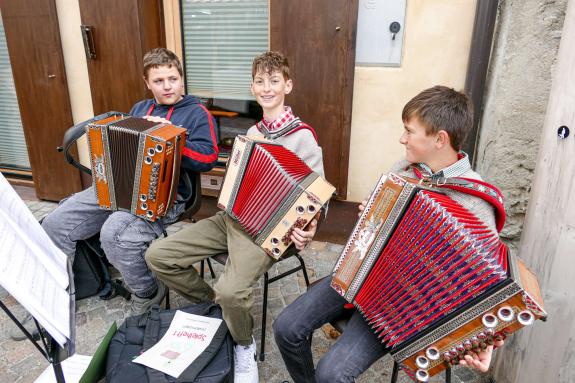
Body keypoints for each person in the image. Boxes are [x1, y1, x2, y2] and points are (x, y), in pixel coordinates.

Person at [272, 86, 505, 383]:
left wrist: (484, 342)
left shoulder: (476, 203)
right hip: (360, 275)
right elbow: (371, 223)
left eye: (409, 131)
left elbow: (487, 282)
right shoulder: (406, 168)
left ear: (439, 138)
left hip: (401, 304)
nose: (402, 138)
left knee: (331, 374)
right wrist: (370, 218)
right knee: (286, 327)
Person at [146, 51, 324, 383]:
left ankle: (243, 342)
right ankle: (215, 306)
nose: (266, 88)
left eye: (274, 81)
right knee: (158, 255)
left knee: (232, 290)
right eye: (260, 82)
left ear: (288, 85)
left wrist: (307, 229)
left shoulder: (304, 137)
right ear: (252, 87)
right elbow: (235, 180)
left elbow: (315, 198)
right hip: (231, 219)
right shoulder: (252, 132)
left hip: (268, 233)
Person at [13, 48, 218, 335]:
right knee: (56, 223)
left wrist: (172, 136)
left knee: (115, 234)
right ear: (147, 82)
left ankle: (146, 293)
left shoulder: (198, 114)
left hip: (166, 196)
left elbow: (208, 159)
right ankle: (56, 299)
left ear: (182, 79)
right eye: (159, 81)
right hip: (119, 187)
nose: (167, 86)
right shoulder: (139, 109)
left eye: (173, 78)